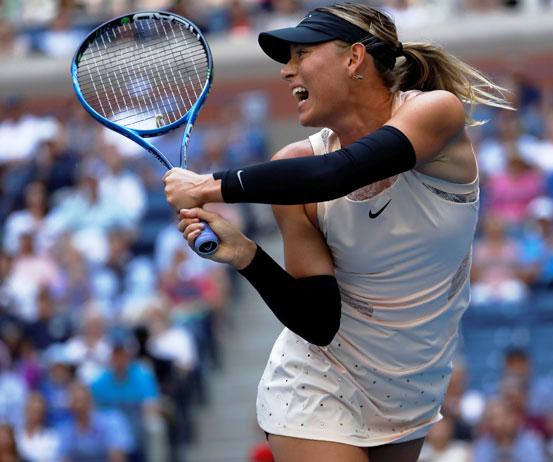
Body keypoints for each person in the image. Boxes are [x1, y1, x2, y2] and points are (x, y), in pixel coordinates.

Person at [163, 3, 510, 461]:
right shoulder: (291, 167)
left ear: (353, 58)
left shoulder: (436, 112)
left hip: (413, 390)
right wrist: (245, 254)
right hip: (315, 387)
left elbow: (338, 174)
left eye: (300, 54)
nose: (287, 72)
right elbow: (318, 322)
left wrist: (209, 185)